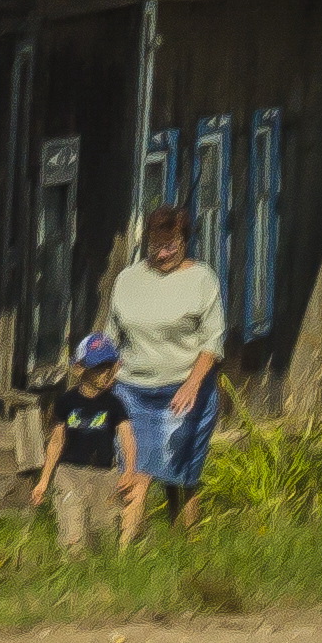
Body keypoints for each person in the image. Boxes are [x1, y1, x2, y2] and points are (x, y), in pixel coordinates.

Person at [98, 204, 225, 547]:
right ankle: (125, 557)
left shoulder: (201, 279)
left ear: (185, 242)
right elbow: (112, 335)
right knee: (135, 471)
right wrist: (104, 372)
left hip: (183, 393)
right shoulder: (128, 279)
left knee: (178, 475)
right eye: (156, 245)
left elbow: (213, 343)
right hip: (132, 393)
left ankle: (187, 546)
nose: (163, 253)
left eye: (171, 245)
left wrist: (192, 384)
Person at [39, 332, 127, 558]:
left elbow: (127, 438)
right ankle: (73, 572)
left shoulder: (114, 404)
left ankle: (100, 578)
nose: (105, 373)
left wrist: (130, 470)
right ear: (80, 369)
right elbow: (57, 441)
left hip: (105, 473)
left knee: (104, 531)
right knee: (73, 533)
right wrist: (43, 481)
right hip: (70, 472)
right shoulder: (67, 402)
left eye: (109, 366)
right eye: (98, 367)